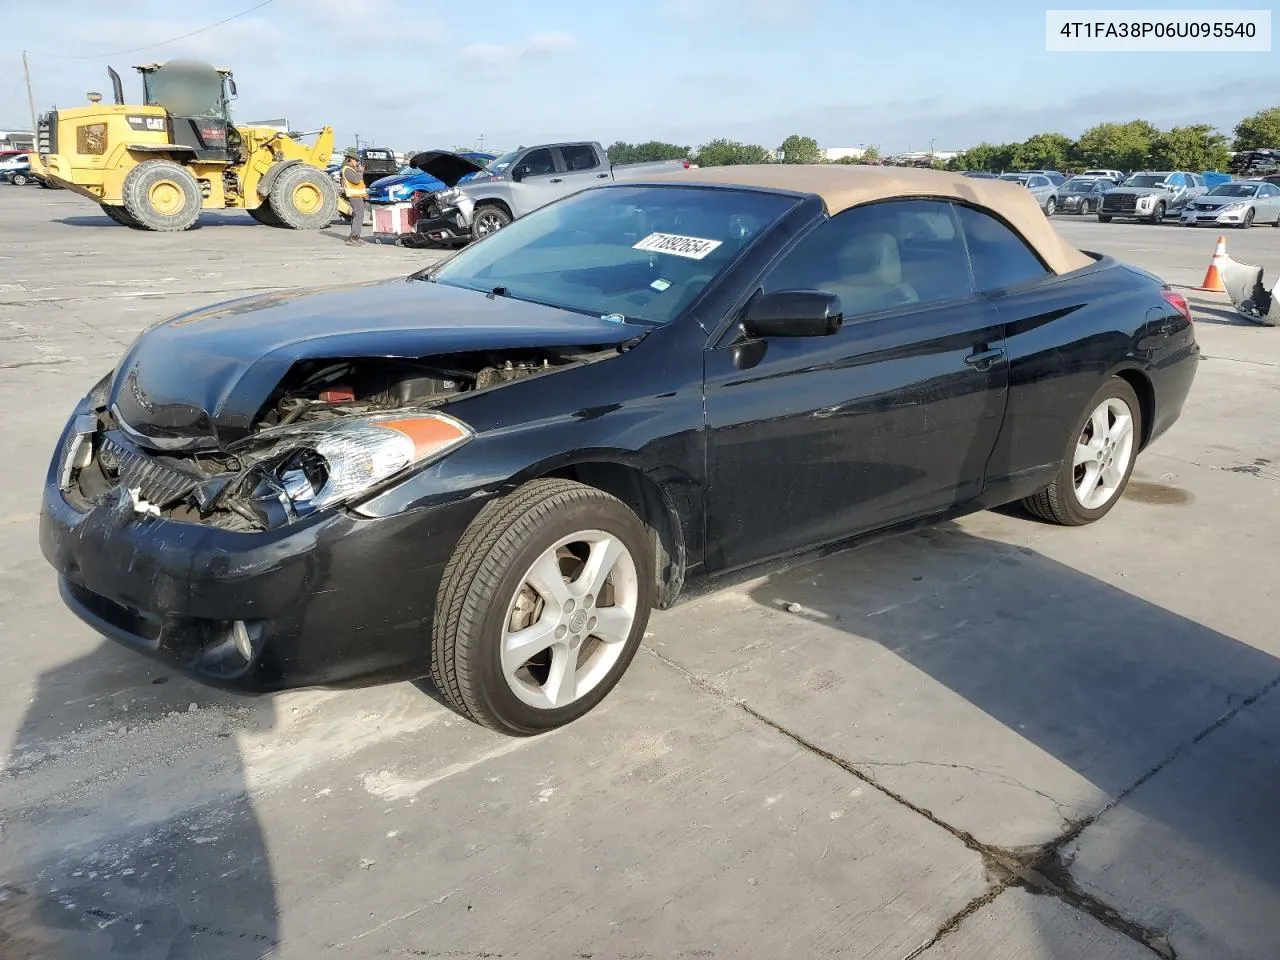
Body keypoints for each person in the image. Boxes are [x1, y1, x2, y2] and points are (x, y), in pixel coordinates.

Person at [341, 148, 367, 246]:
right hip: (355, 196)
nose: (357, 162)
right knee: (358, 216)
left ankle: (356, 237)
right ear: (350, 160)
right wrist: (360, 172)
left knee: (359, 216)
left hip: (358, 196)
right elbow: (356, 180)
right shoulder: (347, 170)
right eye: (355, 160)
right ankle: (353, 238)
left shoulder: (351, 169)